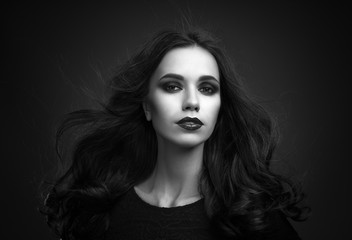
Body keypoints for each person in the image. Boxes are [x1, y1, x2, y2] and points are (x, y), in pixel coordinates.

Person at [41, 27, 309, 240]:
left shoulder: (253, 216)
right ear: (147, 106)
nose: (192, 101)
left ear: (220, 107)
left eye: (207, 88)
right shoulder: (101, 210)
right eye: (172, 86)